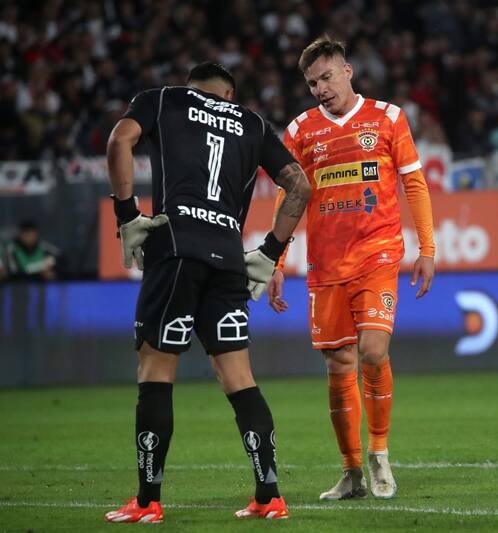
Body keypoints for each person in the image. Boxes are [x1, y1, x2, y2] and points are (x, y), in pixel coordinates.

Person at [103, 62, 310, 523]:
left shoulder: (163, 99)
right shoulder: (252, 123)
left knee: (156, 371)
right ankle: (269, 496)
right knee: (239, 378)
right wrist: (270, 253)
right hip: (228, 259)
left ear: (191, 86)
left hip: (175, 250)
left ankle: (147, 501)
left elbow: (119, 141)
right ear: (229, 94)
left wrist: (127, 216)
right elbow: (299, 184)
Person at [269, 36, 435, 501]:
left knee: (373, 351)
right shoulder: (301, 130)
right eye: (312, 83)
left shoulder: (388, 118)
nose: (320, 88)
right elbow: (288, 195)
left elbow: (414, 184)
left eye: (326, 77)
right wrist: (276, 258)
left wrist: (427, 248)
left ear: (347, 72)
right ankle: (351, 471)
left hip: (377, 254)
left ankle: (379, 453)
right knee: (338, 363)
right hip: (326, 264)